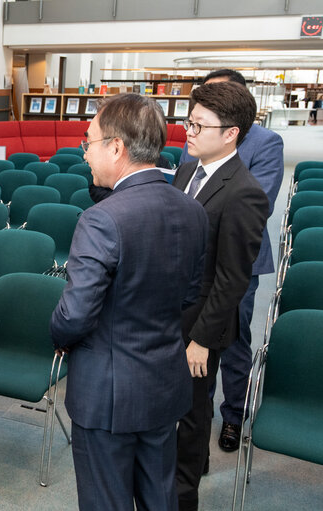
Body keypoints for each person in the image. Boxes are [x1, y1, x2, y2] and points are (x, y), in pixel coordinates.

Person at [50, 93, 209, 510]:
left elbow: (75, 314)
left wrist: (61, 334)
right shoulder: (193, 210)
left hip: (107, 394)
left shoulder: (102, 218)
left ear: (116, 147)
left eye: (88, 142)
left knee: (107, 501)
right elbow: (191, 295)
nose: (84, 153)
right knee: (159, 496)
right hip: (163, 383)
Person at [173, 81, 269, 511]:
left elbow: (233, 278)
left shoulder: (243, 190)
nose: (187, 132)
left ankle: (184, 497)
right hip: (170, 313)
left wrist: (202, 340)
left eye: (198, 125)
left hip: (201, 326)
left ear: (231, 133)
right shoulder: (188, 168)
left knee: (193, 418)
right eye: (188, 121)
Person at [181, 69, 284, 454]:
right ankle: (197, 429)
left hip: (236, 265)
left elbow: (260, 199)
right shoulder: (195, 147)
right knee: (195, 365)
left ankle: (234, 417)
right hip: (192, 275)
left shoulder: (265, 143)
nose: (191, 128)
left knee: (233, 342)